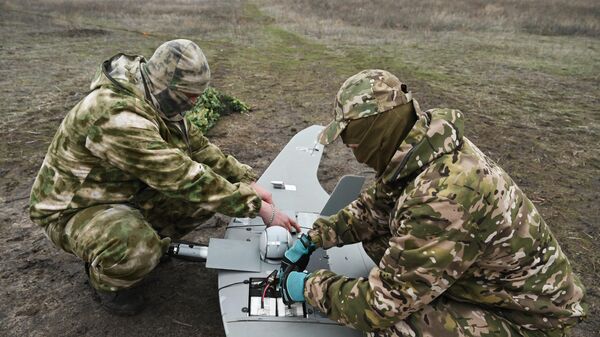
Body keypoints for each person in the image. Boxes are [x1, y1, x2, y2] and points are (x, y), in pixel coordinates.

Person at [279, 69, 587, 337]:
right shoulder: (419, 150)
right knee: (382, 239)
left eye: (351, 140)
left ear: (374, 134)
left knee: (395, 326)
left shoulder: (441, 195)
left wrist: (308, 287)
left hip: (528, 320)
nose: (350, 148)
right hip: (494, 287)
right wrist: (314, 237)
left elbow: (378, 307)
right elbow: (374, 210)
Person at [29, 39, 298, 315]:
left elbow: (199, 149)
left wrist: (245, 179)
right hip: (73, 209)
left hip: (123, 191)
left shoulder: (157, 96)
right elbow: (181, 177)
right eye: (188, 96)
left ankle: (144, 243)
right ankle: (109, 279)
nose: (193, 103)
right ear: (167, 87)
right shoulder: (115, 115)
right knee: (138, 245)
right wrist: (257, 207)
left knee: (207, 197)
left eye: (197, 95)